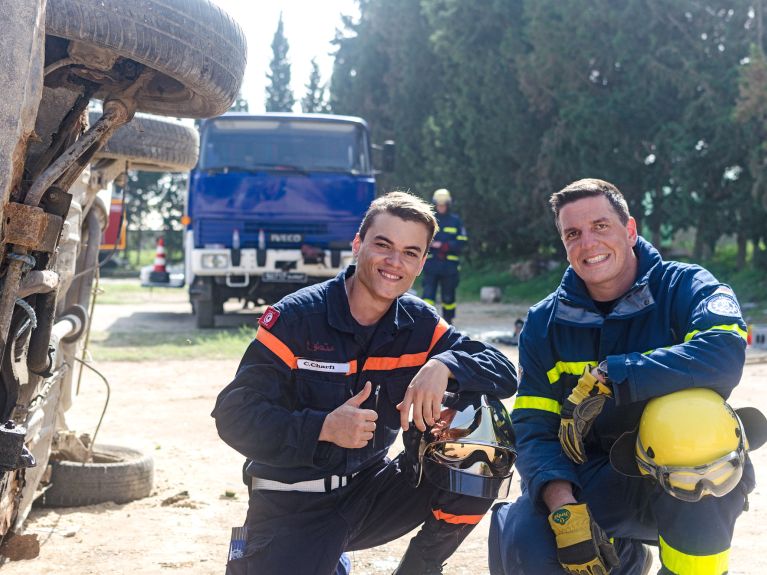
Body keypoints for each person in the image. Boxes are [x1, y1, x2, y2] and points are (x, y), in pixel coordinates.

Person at [213, 191, 517, 575]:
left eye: (410, 252)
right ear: (358, 245)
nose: (394, 262)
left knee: (481, 446)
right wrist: (322, 427)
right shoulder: (295, 319)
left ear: (422, 263)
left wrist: (443, 364)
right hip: (292, 506)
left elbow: (502, 369)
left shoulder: (419, 324)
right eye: (383, 245)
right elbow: (233, 415)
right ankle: (321, 556)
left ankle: (417, 569)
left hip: (370, 493)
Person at [488, 178, 758, 575]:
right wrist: (562, 505)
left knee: (698, 430)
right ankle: (627, 560)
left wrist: (617, 374)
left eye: (601, 226)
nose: (588, 244)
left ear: (630, 230)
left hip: (687, 476)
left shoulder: (686, 287)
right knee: (525, 541)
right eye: (573, 234)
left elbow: (724, 354)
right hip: (594, 475)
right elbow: (533, 426)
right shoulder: (545, 323)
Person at [421, 188, 468, 324]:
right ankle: (424, 321)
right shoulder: (429, 220)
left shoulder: (456, 221)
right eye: (439, 205)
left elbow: (462, 241)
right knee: (428, 296)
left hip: (449, 266)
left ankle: (448, 322)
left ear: (448, 204)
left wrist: (445, 246)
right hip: (431, 265)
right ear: (435, 204)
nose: (441, 208)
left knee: (448, 297)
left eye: (444, 205)